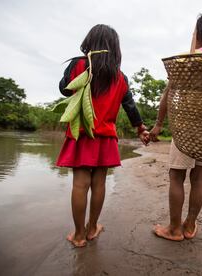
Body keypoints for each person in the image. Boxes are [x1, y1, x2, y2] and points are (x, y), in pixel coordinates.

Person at [56, 24, 150, 247]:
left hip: (81, 133)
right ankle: (92, 228)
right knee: (99, 183)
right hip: (106, 137)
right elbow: (130, 106)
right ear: (114, 49)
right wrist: (140, 128)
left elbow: (63, 88)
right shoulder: (120, 77)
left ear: (90, 43)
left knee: (80, 184)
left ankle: (78, 235)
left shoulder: (79, 64)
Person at [150, 11, 202, 241]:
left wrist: (158, 124)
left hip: (187, 127)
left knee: (176, 176)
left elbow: (168, 95)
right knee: (199, 177)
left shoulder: (186, 60)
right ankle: (190, 225)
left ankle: (174, 229)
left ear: (197, 32)